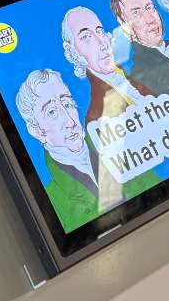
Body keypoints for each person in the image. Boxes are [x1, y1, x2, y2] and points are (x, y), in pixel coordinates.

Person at [15, 69, 160, 232]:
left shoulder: (116, 146)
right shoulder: (50, 200)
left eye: (67, 104)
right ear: (36, 131)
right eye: (52, 112)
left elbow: (162, 194)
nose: (69, 121)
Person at [62, 5, 152, 123]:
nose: (102, 44)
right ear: (71, 50)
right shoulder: (96, 117)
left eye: (99, 31)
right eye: (86, 37)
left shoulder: (140, 73)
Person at [108, 0, 169, 95]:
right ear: (123, 24)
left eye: (149, 7)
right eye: (136, 13)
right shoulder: (143, 73)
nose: (150, 19)